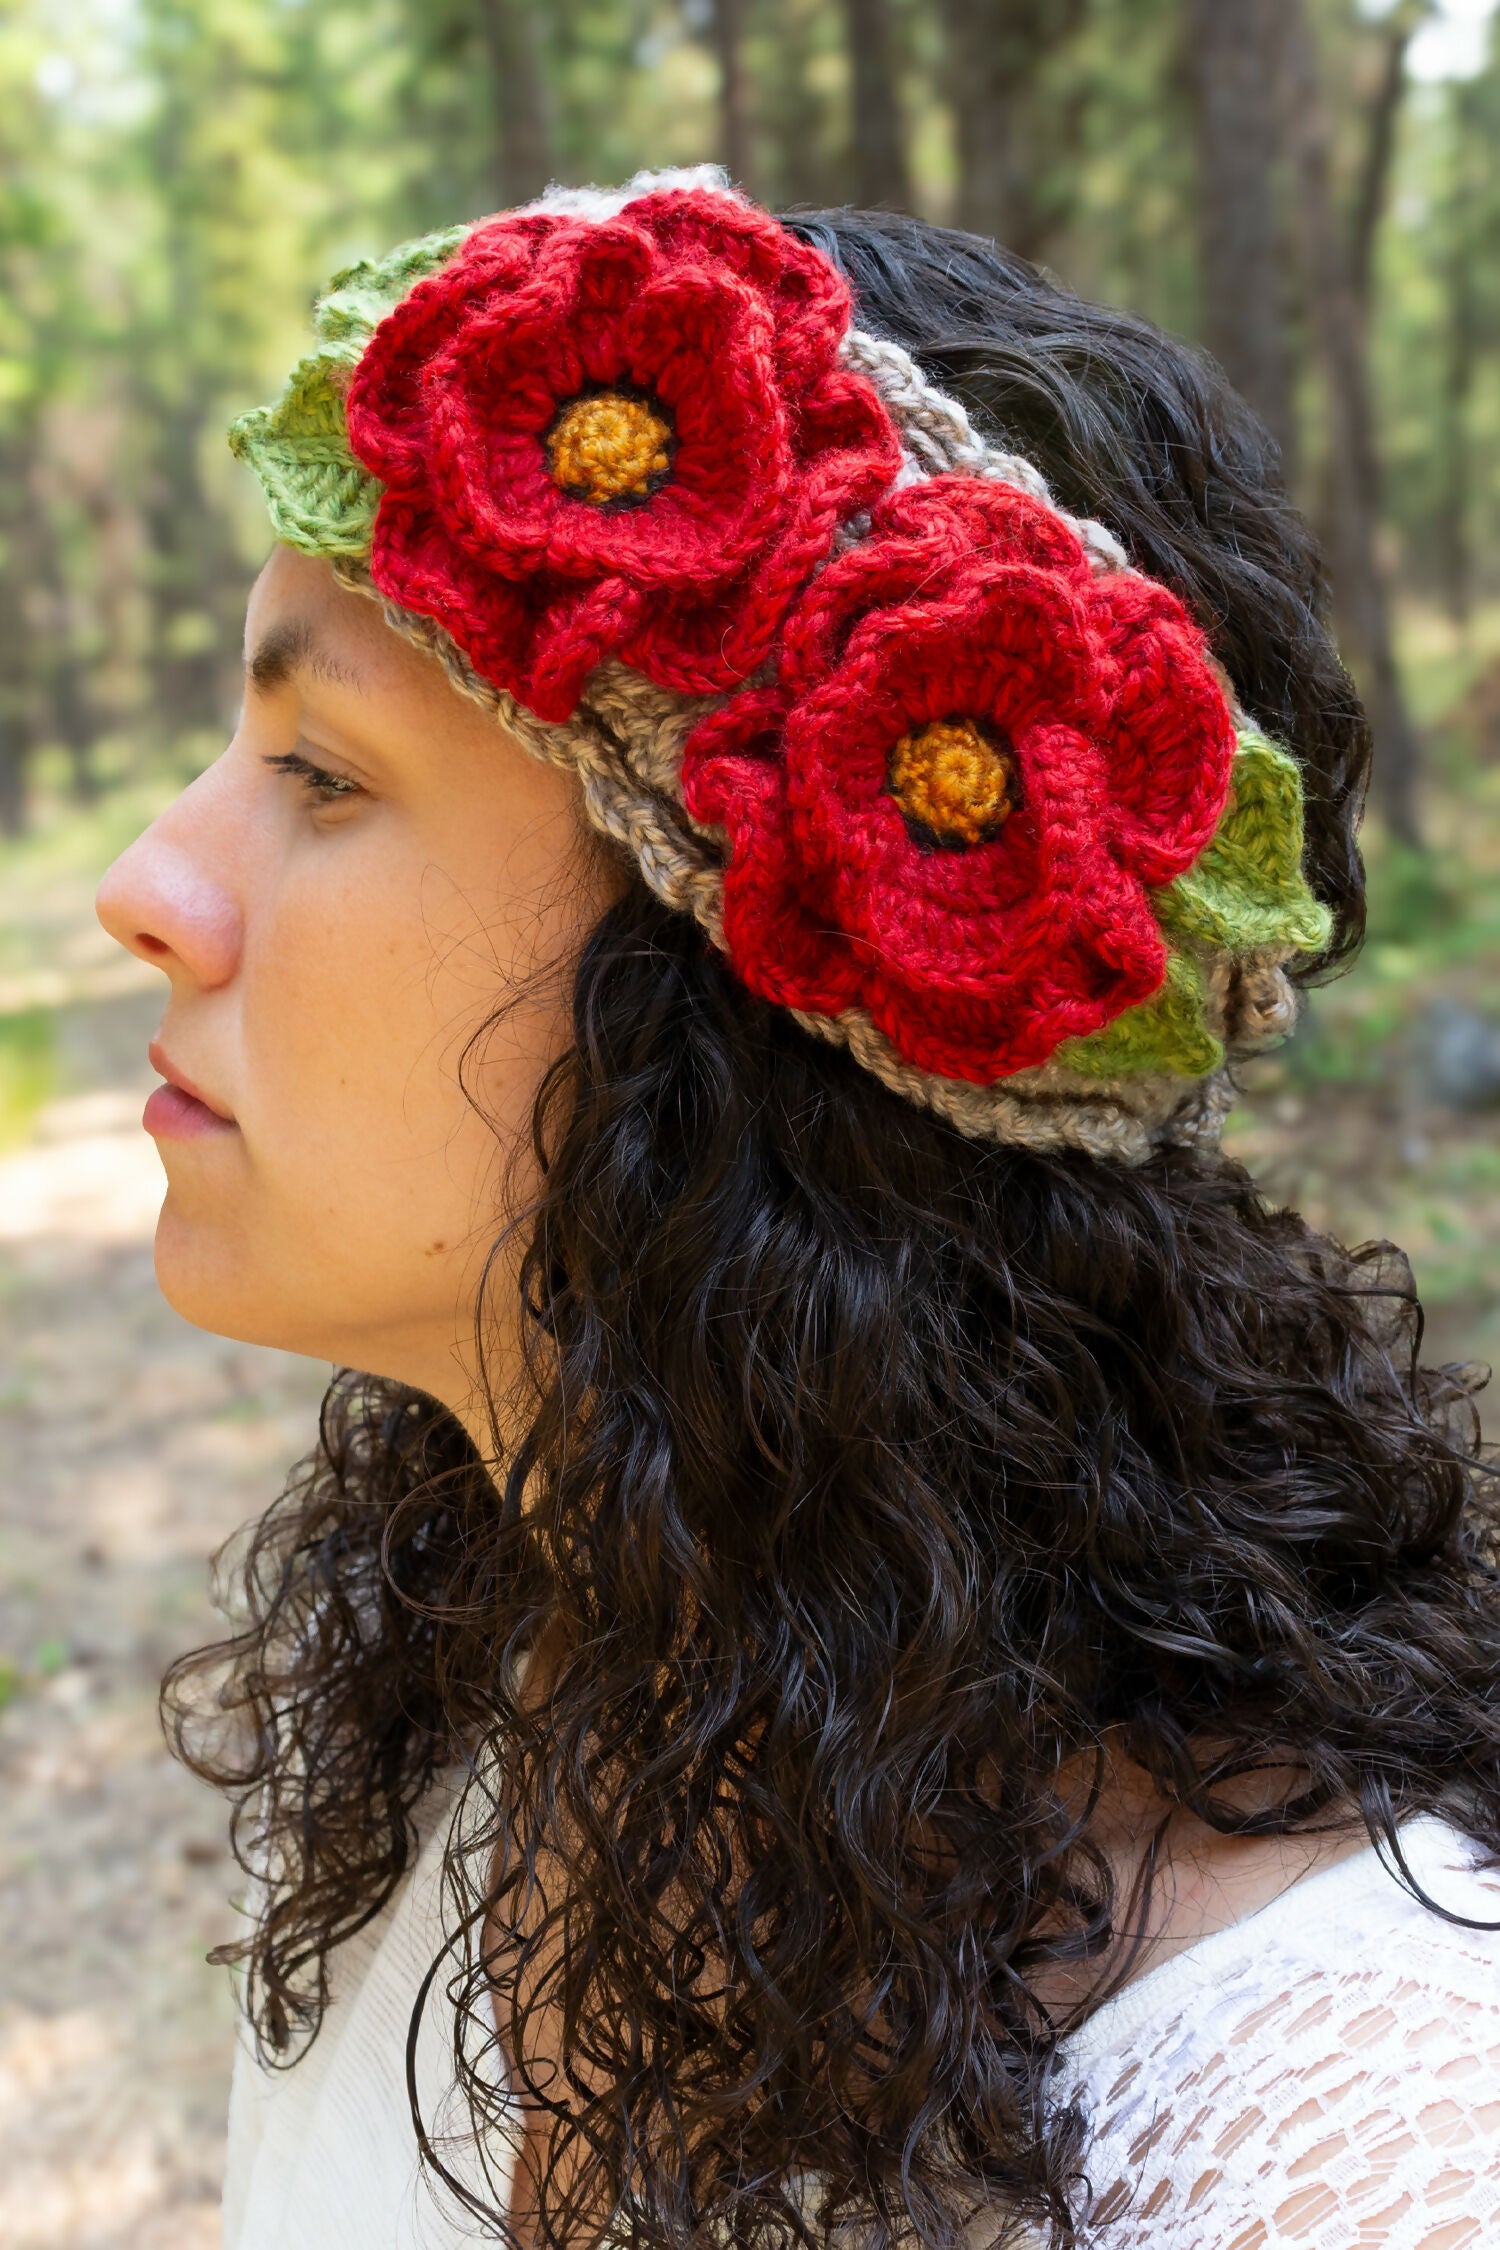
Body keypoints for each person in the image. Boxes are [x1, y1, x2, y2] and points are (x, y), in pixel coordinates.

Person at [95, 170, 1500, 2250]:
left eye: (325, 774)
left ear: (733, 1017)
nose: (150, 883)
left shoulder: (1342, 2153)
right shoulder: (511, 1701)